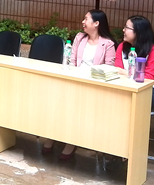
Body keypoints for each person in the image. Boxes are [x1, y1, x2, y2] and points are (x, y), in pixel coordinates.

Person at [42, 9, 117, 160]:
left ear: (96, 23)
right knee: (58, 101)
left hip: (94, 85)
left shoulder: (108, 44)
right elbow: (72, 61)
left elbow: (109, 68)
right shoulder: (79, 38)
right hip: (75, 80)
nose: (83, 22)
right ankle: (52, 134)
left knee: (76, 107)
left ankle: (71, 141)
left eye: (86, 19)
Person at [115, 15, 154, 107]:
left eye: (127, 28)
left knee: (127, 101)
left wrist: (126, 73)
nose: (123, 30)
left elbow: (148, 78)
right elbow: (117, 70)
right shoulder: (122, 46)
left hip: (150, 90)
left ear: (138, 32)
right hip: (125, 86)